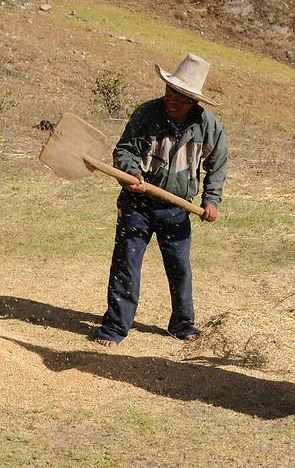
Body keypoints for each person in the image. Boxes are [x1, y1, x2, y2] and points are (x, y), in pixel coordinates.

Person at [91, 53, 228, 348]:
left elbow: (217, 164)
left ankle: (182, 324)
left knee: (179, 266)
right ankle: (115, 327)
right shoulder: (147, 114)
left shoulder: (208, 126)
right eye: (169, 91)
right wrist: (131, 175)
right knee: (126, 262)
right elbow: (124, 151)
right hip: (137, 204)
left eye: (179, 95)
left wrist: (211, 199)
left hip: (178, 208)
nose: (171, 98)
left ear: (193, 101)